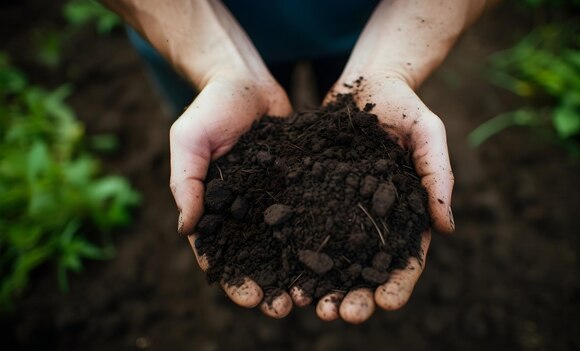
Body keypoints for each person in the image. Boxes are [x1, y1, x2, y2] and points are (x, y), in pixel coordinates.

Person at [101, 0, 497, 324]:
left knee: (355, 102)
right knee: (213, 131)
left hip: (391, 22)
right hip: (183, 25)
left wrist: (389, 66)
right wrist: (218, 66)